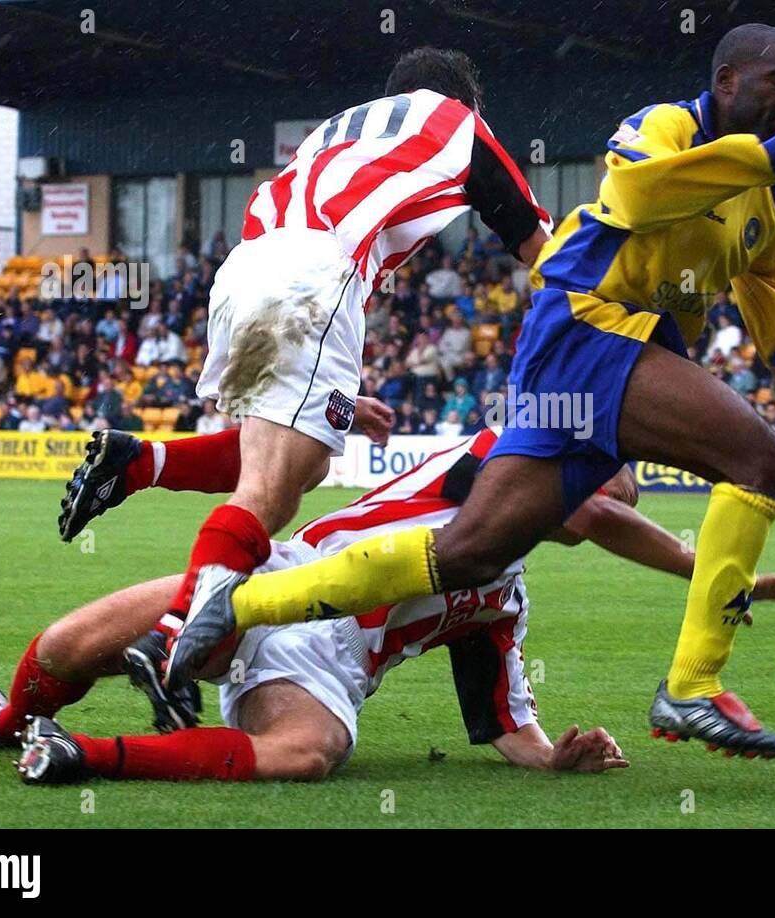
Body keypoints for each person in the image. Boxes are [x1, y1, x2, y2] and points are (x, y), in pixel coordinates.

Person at [147, 23, 775, 760]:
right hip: (587, 319)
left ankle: (241, 602)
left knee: (470, 554)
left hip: (616, 343)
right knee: (760, 462)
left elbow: (763, 274)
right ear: (728, 81)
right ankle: (693, 685)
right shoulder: (665, 127)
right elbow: (641, 196)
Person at [0, 428, 775, 781]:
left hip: (328, 667)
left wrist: (553, 760)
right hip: (279, 578)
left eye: (622, 485)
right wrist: (706, 573)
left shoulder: (502, 599)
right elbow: (581, 508)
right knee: (74, 648)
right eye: (610, 475)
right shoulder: (503, 453)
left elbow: (504, 721)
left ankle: (84, 756)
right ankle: (5, 718)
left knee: (307, 755)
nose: (607, 490)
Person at [56, 48, 551, 670]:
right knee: (274, 492)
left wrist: (340, 400)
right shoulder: (456, 122)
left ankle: (140, 461)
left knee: (303, 459)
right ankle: (175, 635)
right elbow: (544, 249)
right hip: (314, 275)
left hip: (246, 270)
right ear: (466, 103)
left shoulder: (339, 129)